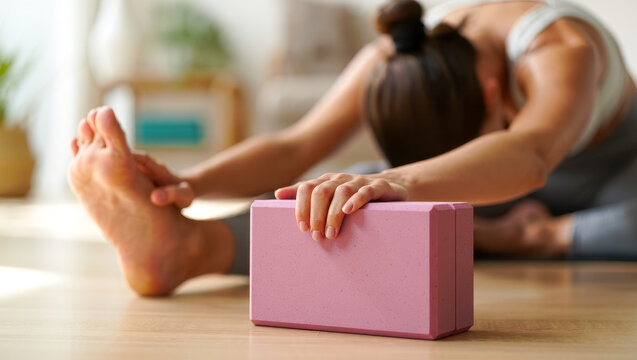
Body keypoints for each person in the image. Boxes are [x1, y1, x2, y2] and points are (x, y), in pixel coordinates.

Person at [69, 0, 637, 296]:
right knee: (353, 191)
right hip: (511, 182)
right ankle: (188, 249)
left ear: (494, 94)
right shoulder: (394, 57)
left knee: (393, 187)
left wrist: (406, 181)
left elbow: (531, 153)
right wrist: (188, 184)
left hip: (619, 175)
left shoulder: (557, 46)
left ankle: (525, 238)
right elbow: (296, 146)